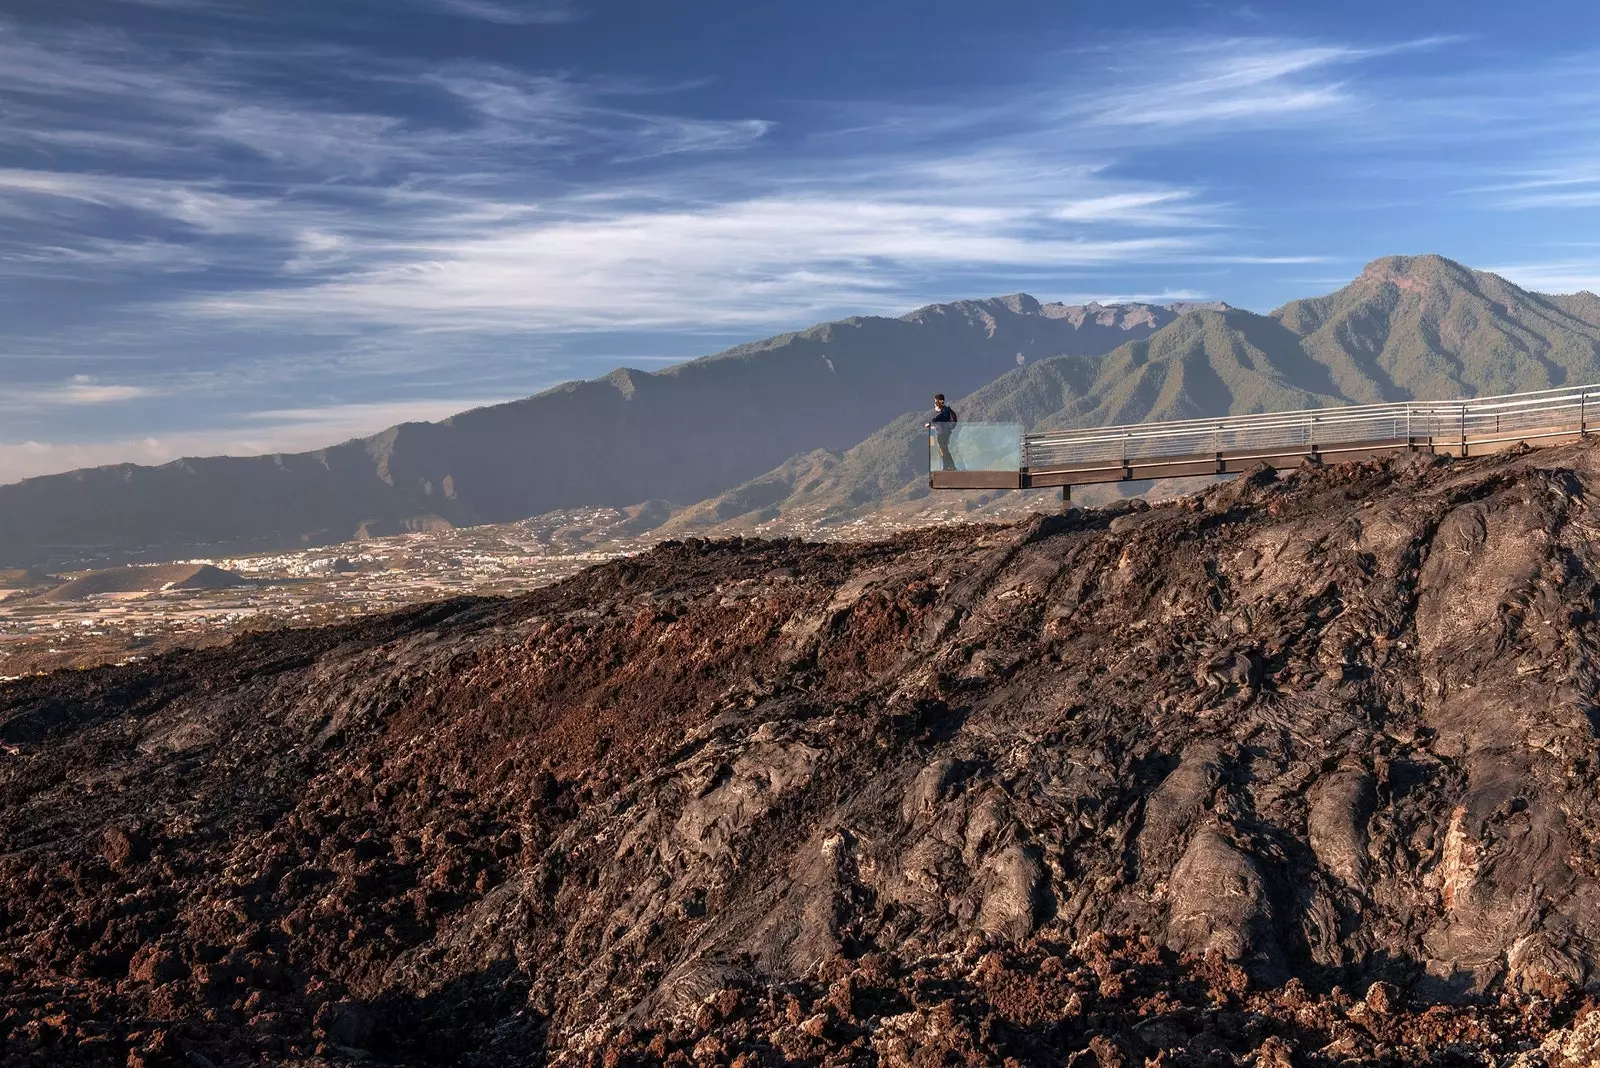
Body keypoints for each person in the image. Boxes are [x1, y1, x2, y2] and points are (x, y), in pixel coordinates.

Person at [926, 393, 958, 471]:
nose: (935, 403)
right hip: (945, 432)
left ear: (939, 401)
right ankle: (948, 466)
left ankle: (951, 467)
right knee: (944, 450)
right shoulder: (946, 409)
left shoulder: (943, 410)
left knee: (944, 450)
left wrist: (930, 424)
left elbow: (936, 420)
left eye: (936, 401)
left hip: (942, 433)